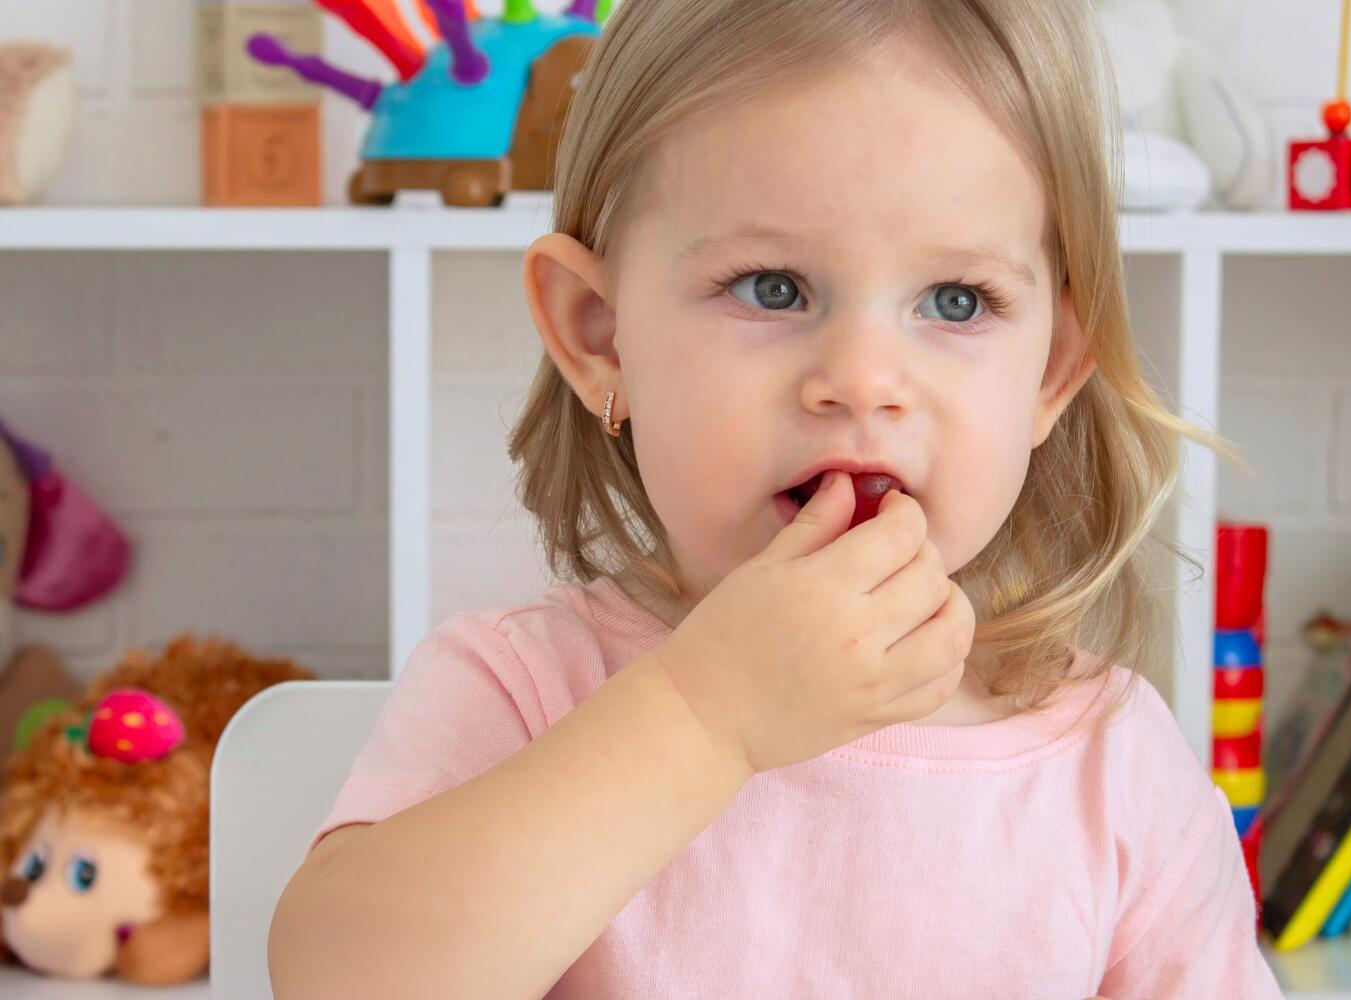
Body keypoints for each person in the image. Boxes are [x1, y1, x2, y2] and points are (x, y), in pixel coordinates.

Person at [268, 0, 1284, 996]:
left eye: (955, 301)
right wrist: (702, 716)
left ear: (1052, 372)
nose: (862, 377)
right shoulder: (519, 690)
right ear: (598, 332)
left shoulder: (1111, 761)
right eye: (772, 288)